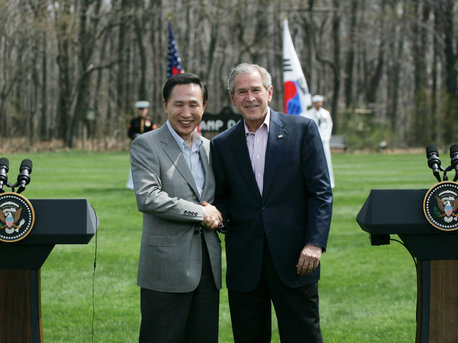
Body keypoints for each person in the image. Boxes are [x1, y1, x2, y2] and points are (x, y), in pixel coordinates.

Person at [211, 63, 333, 343]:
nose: (250, 97)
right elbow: (222, 197)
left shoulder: (302, 130)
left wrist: (315, 243)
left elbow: (320, 192)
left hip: (296, 259)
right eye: (241, 92)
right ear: (232, 98)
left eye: (256, 90)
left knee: (303, 336)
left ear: (269, 92)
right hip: (245, 262)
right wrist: (218, 216)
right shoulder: (222, 144)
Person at [130, 73, 223, 343]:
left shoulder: (211, 148)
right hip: (164, 270)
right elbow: (148, 197)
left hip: (207, 268)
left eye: (193, 104)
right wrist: (201, 213)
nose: (186, 112)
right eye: (178, 104)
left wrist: (218, 217)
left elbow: (219, 201)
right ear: (165, 105)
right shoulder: (146, 144)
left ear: (204, 106)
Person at [304, 95, 335, 188]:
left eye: (320, 102)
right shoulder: (308, 114)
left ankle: (330, 181)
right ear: (314, 103)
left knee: (327, 160)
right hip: (313, 141)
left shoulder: (326, 113)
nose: (319, 104)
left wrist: (326, 137)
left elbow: (329, 126)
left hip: (324, 141)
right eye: (317, 102)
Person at [127, 100, 156, 189]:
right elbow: (129, 133)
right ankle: (131, 184)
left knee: (149, 164)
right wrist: (135, 136)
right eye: (140, 110)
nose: (142, 111)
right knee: (134, 163)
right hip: (137, 145)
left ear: (146, 110)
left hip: (148, 145)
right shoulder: (133, 121)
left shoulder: (150, 121)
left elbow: (155, 132)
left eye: (144, 109)